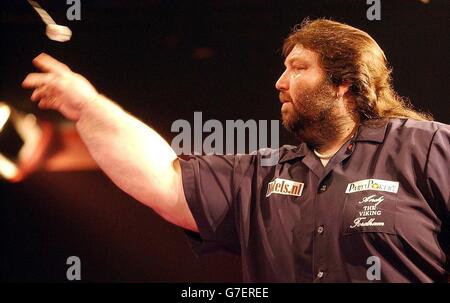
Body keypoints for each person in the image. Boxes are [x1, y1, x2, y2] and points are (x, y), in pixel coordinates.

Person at [22, 19, 449, 282]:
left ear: (345, 83)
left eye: (298, 68)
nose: (279, 82)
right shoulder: (261, 175)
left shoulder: (425, 147)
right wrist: (88, 107)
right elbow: (163, 179)